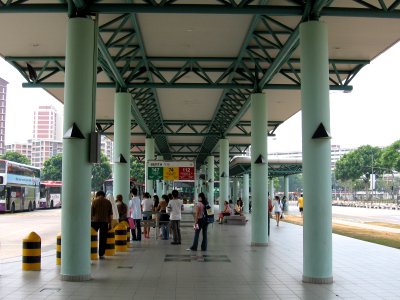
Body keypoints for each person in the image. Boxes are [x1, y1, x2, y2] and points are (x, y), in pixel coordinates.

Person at [91, 190, 113, 259]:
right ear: (103, 195)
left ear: (97, 195)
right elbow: (110, 214)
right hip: (105, 222)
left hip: (95, 222)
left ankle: (92, 251)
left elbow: (91, 213)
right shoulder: (108, 202)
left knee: (92, 236)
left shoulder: (94, 201)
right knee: (103, 238)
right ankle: (101, 253)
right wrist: (110, 224)